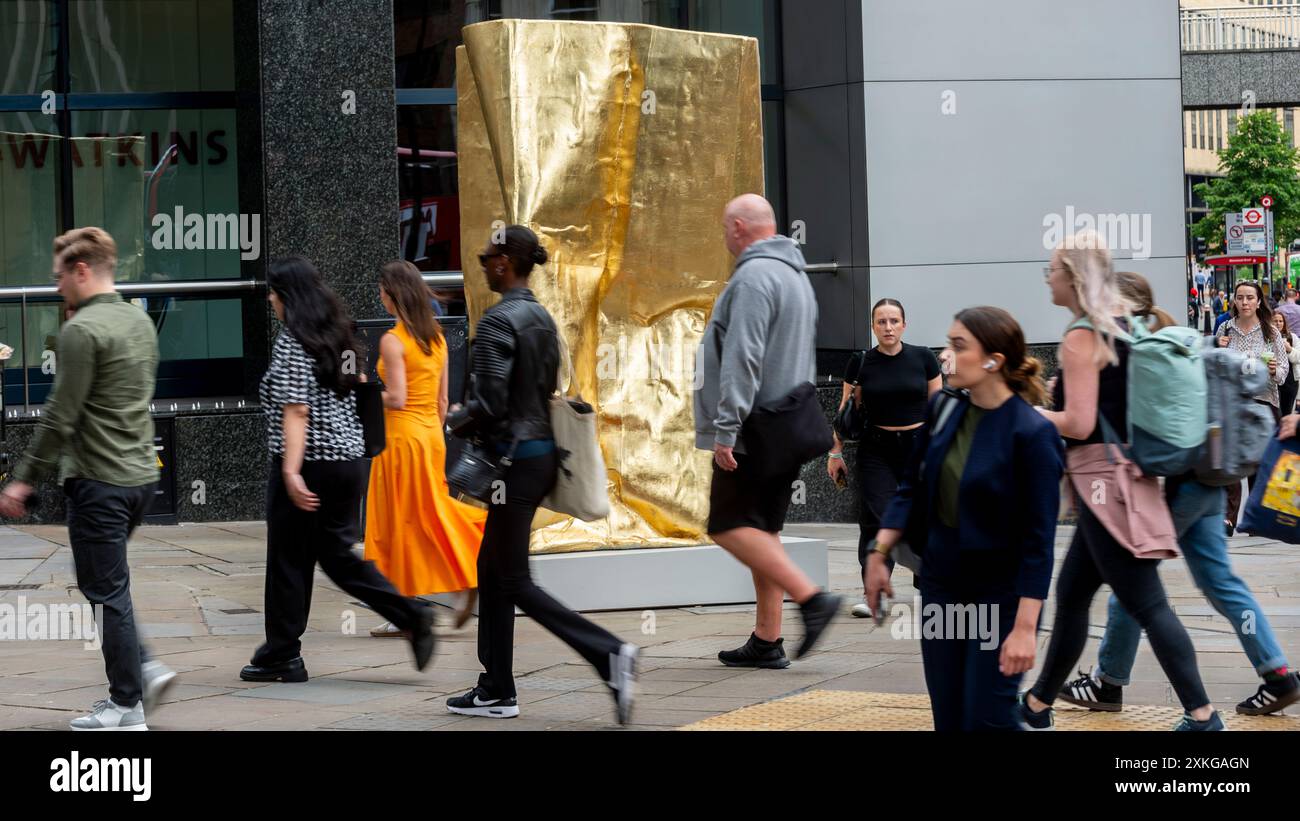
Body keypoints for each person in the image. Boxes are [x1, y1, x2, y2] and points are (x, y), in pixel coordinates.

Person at [1059, 272, 1300, 717]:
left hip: (1178, 482)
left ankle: (1108, 681)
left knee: (1134, 581)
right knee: (1218, 580)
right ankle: (1278, 674)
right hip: (1208, 474)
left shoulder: (1146, 349)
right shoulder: (1176, 338)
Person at [1021, 231, 1223, 731]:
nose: (1046, 277)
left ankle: (1202, 715)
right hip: (1120, 476)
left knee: (1148, 603)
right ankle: (1037, 705)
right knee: (1071, 594)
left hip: (1100, 481)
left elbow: (1080, 423)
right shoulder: (1120, 322)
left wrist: (1027, 413)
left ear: (1071, 275)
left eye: (1051, 269)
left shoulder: (1081, 335)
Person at [445, 225, 638, 723]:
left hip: (511, 460)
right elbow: (544, 390)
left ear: (505, 263)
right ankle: (495, 687)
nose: (483, 263)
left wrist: (451, 419)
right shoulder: (541, 318)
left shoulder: (495, 323)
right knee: (492, 570)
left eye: (488, 256)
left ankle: (609, 654)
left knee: (511, 578)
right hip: (538, 456)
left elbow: (488, 404)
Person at [0, 227, 175, 731]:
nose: (57, 288)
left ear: (81, 270)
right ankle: (140, 676)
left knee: (104, 588)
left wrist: (22, 478)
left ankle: (129, 702)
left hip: (99, 480)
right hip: (141, 478)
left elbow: (60, 415)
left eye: (59, 277)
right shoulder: (138, 322)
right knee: (106, 584)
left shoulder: (82, 331)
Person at [865, 307, 1062, 731]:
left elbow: (1038, 543)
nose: (944, 355)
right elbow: (911, 488)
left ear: (993, 361)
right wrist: (880, 552)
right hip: (942, 586)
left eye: (957, 346)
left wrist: (1026, 628)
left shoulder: (1031, 433)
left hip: (1001, 596)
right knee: (950, 718)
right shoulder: (944, 409)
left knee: (987, 718)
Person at [242, 257, 435, 684]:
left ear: (288, 294)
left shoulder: (293, 340)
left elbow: (297, 411)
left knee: (289, 560)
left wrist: (291, 473)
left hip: (309, 463)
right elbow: (359, 387)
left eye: (273, 290)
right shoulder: (341, 336)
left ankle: (282, 654)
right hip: (347, 464)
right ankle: (411, 613)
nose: (270, 297)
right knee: (335, 556)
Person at [694, 194, 842, 670]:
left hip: (755, 425)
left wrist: (725, 428)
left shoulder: (755, 276)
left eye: (723, 228)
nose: (722, 237)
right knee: (764, 530)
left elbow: (743, 355)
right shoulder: (795, 274)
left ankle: (812, 599)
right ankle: (767, 638)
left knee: (728, 526)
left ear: (738, 227)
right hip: (788, 420)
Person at [364, 260, 485, 636]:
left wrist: (363, 393)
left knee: (408, 521)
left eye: (382, 290)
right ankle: (406, 608)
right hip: (429, 438)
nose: (380, 296)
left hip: (401, 440)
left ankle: (475, 556)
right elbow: (443, 401)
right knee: (418, 518)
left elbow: (396, 398)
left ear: (393, 294)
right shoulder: (436, 336)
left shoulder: (393, 339)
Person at [827, 299, 941, 618]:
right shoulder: (861, 362)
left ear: (904, 324)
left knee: (923, 516)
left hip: (920, 446)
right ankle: (873, 590)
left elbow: (938, 407)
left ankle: (928, 587)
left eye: (894, 321)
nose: (888, 327)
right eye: (881, 322)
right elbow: (845, 409)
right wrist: (835, 450)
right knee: (876, 518)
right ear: (873, 326)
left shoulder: (924, 358)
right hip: (876, 448)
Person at [1219, 280, 1289, 535]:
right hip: (1233, 402)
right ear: (1234, 301)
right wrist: (1219, 349)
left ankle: (1255, 519)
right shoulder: (1225, 330)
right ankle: (1228, 518)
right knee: (1232, 460)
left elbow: (1283, 372)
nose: (1245, 302)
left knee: (1259, 462)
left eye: (1250, 297)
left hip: (1264, 401)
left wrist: (1274, 371)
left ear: (1259, 301)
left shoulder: (1271, 333)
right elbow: (1214, 367)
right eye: (1240, 297)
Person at [1273, 309, 1300, 417]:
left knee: (1287, 412)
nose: (1278, 323)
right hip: (1274, 379)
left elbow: (1298, 357)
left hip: (1290, 380)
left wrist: (1289, 349)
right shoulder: (1267, 337)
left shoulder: (1292, 337)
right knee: (1275, 412)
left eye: (1281, 321)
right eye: (1275, 321)